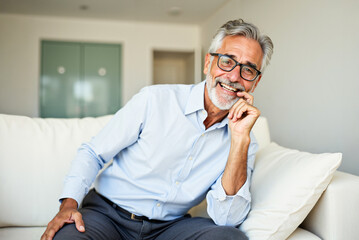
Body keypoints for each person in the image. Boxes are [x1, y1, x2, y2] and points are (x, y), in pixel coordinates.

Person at [41, 19, 273, 240]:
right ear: (208, 63)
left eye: (248, 70)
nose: (234, 76)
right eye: (227, 61)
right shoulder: (154, 100)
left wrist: (239, 139)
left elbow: (227, 218)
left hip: (170, 227)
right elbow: (93, 152)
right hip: (107, 215)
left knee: (231, 238)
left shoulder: (245, 141)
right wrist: (69, 205)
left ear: (255, 82)